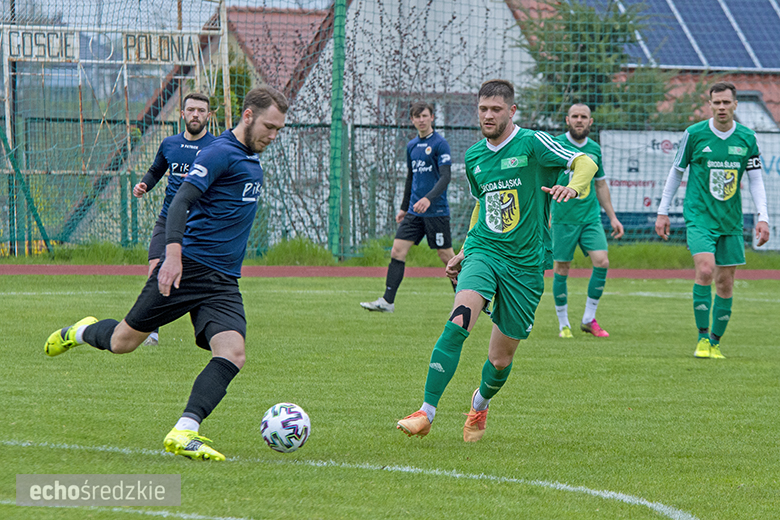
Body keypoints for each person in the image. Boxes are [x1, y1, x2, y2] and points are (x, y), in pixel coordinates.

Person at [44, 85, 289, 461]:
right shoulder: (220, 152)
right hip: (189, 269)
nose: (273, 135)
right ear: (248, 116)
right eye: (269, 127)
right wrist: (172, 254)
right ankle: (78, 332)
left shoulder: (250, 157)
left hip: (223, 280)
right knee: (123, 342)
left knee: (233, 353)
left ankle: (184, 430)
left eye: (278, 130)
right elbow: (181, 201)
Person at [396, 79, 597, 442]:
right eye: (483, 109)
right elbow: (483, 207)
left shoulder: (532, 143)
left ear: (511, 111)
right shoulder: (475, 157)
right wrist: (465, 249)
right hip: (485, 252)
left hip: (526, 264)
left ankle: (480, 403)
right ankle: (426, 411)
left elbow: (585, 161)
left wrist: (574, 186)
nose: (488, 116)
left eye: (496, 109)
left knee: (500, 360)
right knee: (458, 322)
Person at [655, 81, 769, 359]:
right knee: (706, 270)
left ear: (735, 104)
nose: (721, 107)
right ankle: (702, 338)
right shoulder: (694, 134)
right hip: (699, 217)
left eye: (726, 102)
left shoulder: (747, 138)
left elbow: (756, 180)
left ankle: (716, 342)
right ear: (709, 105)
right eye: (716, 102)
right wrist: (662, 210)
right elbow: (676, 172)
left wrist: (763, 217)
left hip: (730, 221)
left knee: (725, 283)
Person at [133, 92, 216, 346]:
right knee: (155, 269)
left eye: (201, 111)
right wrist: (144, 184)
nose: (195, 115)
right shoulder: (169, 144)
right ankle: (151, 331)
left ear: (209, 116)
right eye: (191, 110)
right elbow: (156, 170)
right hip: (168, 219)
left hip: (200, 224)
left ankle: (209, 331)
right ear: (182, 114)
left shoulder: (217, 147)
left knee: (202, 279)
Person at [360, 102, 455, 313]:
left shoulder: (440, 144)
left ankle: (464, 302)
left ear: (432, 117)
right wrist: (404, 208)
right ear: (411, 120)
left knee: (447, 257)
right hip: (414, 211)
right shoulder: (412, 146)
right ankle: (387, 302)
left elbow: (446, 177)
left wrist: (428, 199)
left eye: (424, 115)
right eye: (416, 116)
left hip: (436, 211)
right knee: (397, 250)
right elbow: (411, 178)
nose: (421, 120)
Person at [551, 103, 624, 339]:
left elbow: (600, 184)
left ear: (590, 121)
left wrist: (612, 217)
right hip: (562, 218)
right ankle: (563, 323)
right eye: (575, 116)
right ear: (567, 120)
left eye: (584, 117)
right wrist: (546, 215)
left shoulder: (594, 149)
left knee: (602, 261)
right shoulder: (556, 145)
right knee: (562, 267)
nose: (579, 120)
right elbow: (544, 180)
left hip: (590, 218)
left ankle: (588, 319)